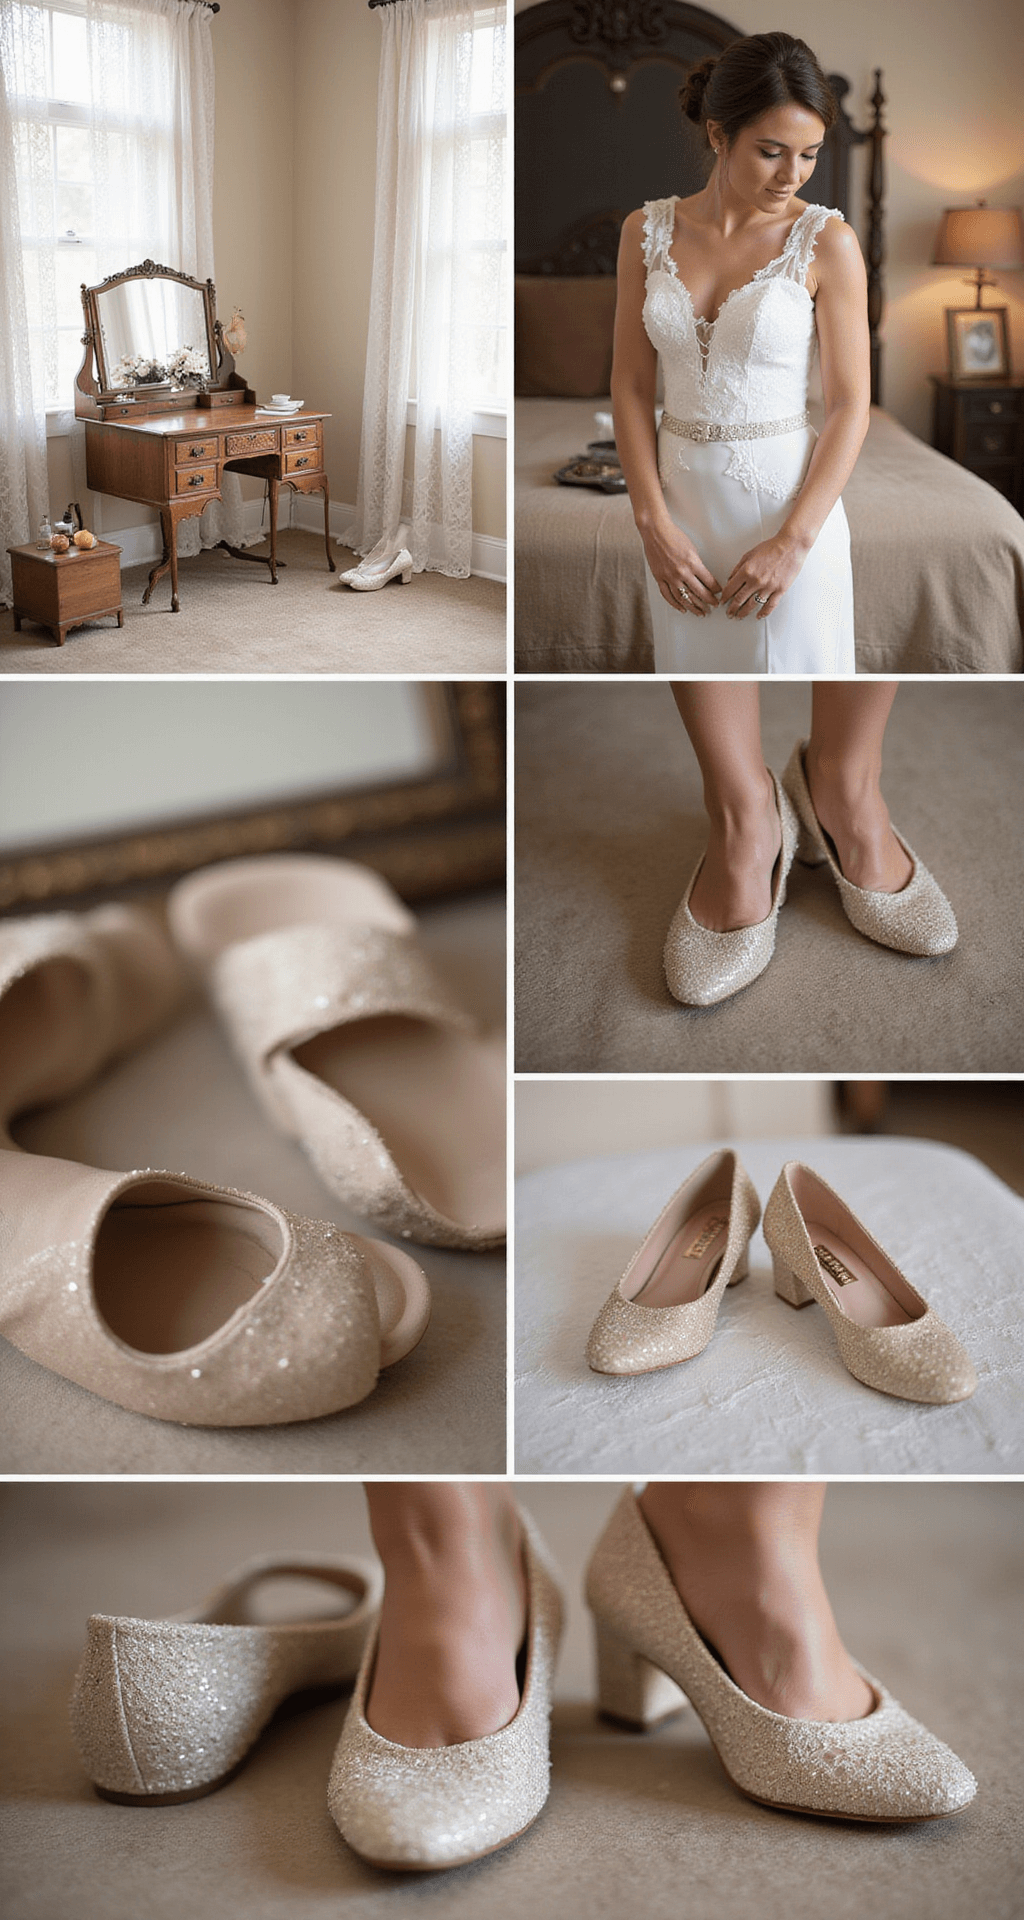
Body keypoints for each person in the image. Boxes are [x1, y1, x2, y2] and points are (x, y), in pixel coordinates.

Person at [610, 32, 870, 673]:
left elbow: (849, 403)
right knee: (699, 681)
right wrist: (652, 524)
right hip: (679, 517)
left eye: (809, 155)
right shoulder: (644, 232)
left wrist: (794, 540)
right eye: (772, 152)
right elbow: (630, 387)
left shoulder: (827, 242)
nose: (793, 175)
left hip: (789, 509)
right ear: (719, 135)